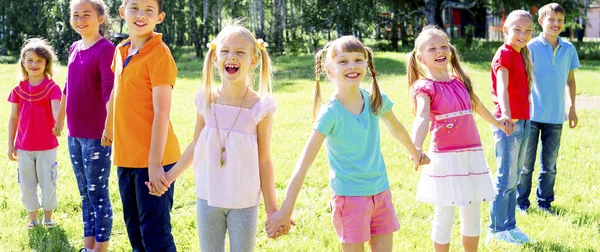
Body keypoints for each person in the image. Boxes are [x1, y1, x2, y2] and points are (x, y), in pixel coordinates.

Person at [265, 36, 429, 252]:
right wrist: (286, 210)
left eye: (358, 60)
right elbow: (304, 163)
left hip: (380, 192)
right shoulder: (331, 113)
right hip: (350, 200)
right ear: (329, 70)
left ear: (367, 65)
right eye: (343, 61)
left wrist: (414, 151)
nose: (352, 66)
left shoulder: (374, 99)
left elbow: (396, 128)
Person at [147, 21, 279, 252]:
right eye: (225, 51)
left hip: (243, 202)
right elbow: (195, 145)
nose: (232, 57)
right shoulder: (206, 100)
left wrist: (272, 209)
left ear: (253, 61)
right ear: (216, 58)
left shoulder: (260, 107)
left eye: (240, 52)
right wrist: (168, 177)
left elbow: (265, 160)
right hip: (208, 198)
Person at [408, 26, 514, 252]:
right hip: (446, 158)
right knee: (444, 213)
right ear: (420, 57)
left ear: (451, 50)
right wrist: (416, 147)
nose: (440, 51)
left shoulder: (460, 81)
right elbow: (422, 116)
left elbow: (477, 106)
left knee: (472, 212)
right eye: (432, 48)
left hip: (472, 155)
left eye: (444, 46)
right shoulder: (425, 87)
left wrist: (499, 122)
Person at [101, 0, 181, 252]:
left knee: (155, 235)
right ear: (123, 12)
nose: (141, 15)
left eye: (149, 10)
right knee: (135, 230)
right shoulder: (121, 50)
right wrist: (108, 128)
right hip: (126, 158)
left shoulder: (160, 55)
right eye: (134, 8)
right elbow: (116, 92)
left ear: (159, 17)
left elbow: (162, 112)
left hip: (155, 161)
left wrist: (155, 164)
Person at [52, 0, 115, 252]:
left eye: (86, 14)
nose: (80, 19)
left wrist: (109, 129)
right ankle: (88, 246)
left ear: (101, 18)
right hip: (74, 134)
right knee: (84, 193)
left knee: (97, 194)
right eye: (75, 15)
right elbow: (68, 88)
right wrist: (59, 121)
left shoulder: (106, 50)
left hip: (97, 136)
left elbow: (110, 93)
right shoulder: (74, 48)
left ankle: (101, 248)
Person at [517, 3, 580, 215]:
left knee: (549, 166)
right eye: (551, 19)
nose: (556, 24)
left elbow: (571, 81)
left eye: (560, 20)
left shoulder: (569, 49)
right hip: (531, 116)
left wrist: (572, 109)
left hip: (555, 116)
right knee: (526, 164)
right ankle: (521, 203)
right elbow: (523, 80)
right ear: (541, 21)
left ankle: (544, 203)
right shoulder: (531, 47)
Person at [487, 10, 535, 245]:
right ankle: (495, 230)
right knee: (505, 177)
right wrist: (505, 114)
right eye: (517, 29)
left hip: (523, 121)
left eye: (528, 31)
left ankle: (510, 226)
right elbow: (502, 88)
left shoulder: (520, 54)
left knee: (514, 178)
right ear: (506, 30)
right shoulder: (504, 54)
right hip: (509, 124)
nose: (523, 34)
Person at [7, 38, 62, 229]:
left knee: (48, 181)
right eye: (30, 60)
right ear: (23, 62)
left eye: (39, 60)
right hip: (24, 147)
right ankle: (33, 219)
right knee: (26, 184)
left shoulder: (52, 88)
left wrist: (58, 123)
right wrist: (10, 144)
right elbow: (13, 118)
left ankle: (48, 218)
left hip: (47, 146)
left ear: (47, 63)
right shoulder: (18, 90)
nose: (34, 64)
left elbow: (56, 110)